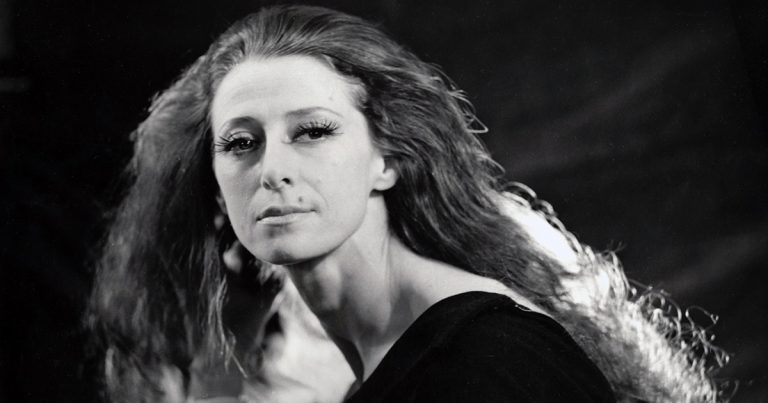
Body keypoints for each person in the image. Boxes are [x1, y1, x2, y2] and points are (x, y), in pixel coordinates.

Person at [88, 5, 728, 403]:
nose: (272, 168)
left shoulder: (485, 360)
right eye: (240, 142)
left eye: (312, 131)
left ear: (388, 159)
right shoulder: (385, 361)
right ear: (214, 185)